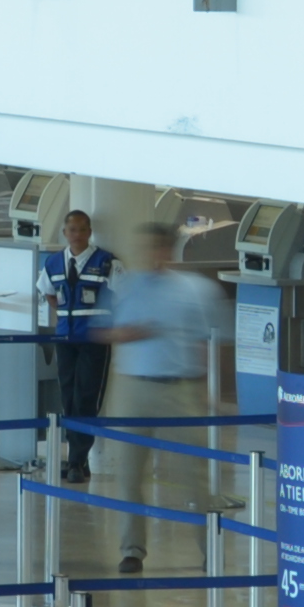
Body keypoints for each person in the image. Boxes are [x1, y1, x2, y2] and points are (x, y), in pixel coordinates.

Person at [106, 219, 219, 510]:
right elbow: (101, 329)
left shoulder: (193, 289)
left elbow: (201, 340)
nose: (149, 254)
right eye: (143, 248)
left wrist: (204, 389)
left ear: (168, 250)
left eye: (155, 247)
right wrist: (123, 334)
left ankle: (210, 549)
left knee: (194, 474)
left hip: (177, 389)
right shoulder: (126, 287)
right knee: (129, 476)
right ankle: (131, 551)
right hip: (134, 388)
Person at [34, 208, 114, 482]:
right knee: (68, 397)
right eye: (72, 230)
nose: (76, 234)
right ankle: (77, 459)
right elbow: (48, 293)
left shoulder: (106, 262)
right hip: (65, 338)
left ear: (89, 232)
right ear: (65, 233)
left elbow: (122, 295)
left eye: (82, 229)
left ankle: (77, 460)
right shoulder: (53, 263)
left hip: (94, 339)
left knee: (86, 397)